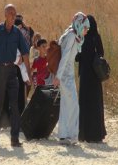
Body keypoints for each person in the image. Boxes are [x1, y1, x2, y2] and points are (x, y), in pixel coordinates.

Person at [0, 4, 31, 148]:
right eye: (10, 13)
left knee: (15, 105)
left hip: (12, 71)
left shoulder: (17, 33)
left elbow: (25, 54)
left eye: (14, 13)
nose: (13, 16)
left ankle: (15, 138)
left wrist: (28, 76)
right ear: (5, 15)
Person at [52, 12, 90, 145]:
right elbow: (65, 57)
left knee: (66, 105)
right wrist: (58, 77)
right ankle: (71, 135)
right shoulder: (72, 36)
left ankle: (64, 135)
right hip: (65, 76)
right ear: (79, 25)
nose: (86, 31)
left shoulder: (71, 35)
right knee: (73, 105)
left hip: (67, 75)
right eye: (85, 28)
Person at [76, 15, 107, 143]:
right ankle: (97, 134)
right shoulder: (96, 37)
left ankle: (84, 134)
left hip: (85, 75)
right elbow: (101, 53)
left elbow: (77, 57)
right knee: (96, 104)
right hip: (95, 76)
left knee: (84, 104)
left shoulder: (82, 37)